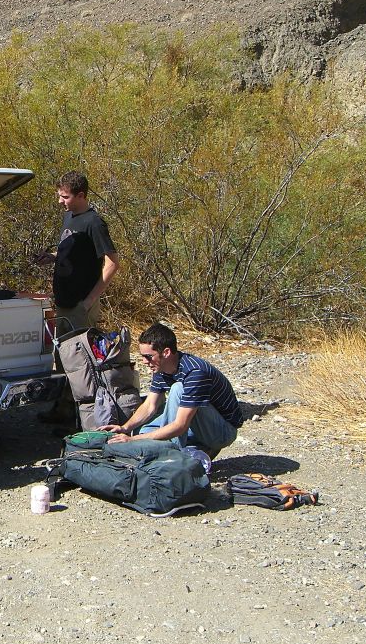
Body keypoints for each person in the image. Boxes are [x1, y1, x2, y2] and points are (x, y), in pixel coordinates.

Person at [36, 171, 119, 423]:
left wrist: (89, 301)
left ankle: (85, 417)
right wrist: (52, 257)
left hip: (81, 305)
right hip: (64, 301)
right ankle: (63, 410)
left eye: (65, 197)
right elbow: (74, 252)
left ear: (81, 195)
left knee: (82, 362)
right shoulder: (69, 217)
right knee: (63, 359)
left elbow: (112, 263)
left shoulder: (94, 223)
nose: (61, 201)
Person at [99, 322, 242, 458]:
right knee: (142, 431)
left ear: (166, 352)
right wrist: (124, 428)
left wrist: (133, 440)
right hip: (196, 424)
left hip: (222, 431)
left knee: (178, 389)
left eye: (148, 357)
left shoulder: (195, 372)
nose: (144, 362)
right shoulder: (160, 369)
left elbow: (180, 425)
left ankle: (173, 456)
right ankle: (194, 449)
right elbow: (150, 406)